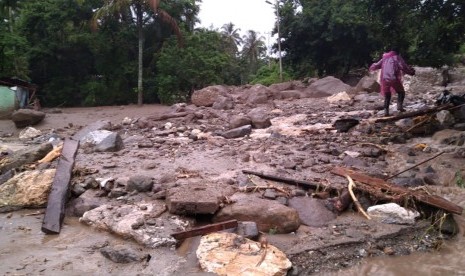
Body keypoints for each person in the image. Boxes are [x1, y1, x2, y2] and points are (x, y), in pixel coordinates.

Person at [369, 49, 415, 116]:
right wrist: (411, 72)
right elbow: (403, 66)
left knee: (387, 95)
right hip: (393, 78)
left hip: (384, 79)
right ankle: (399, 106)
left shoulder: (384, 58)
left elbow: (376, 65)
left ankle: (386, 111)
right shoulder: (396, 57)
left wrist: (371, 68)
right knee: (401, 92)